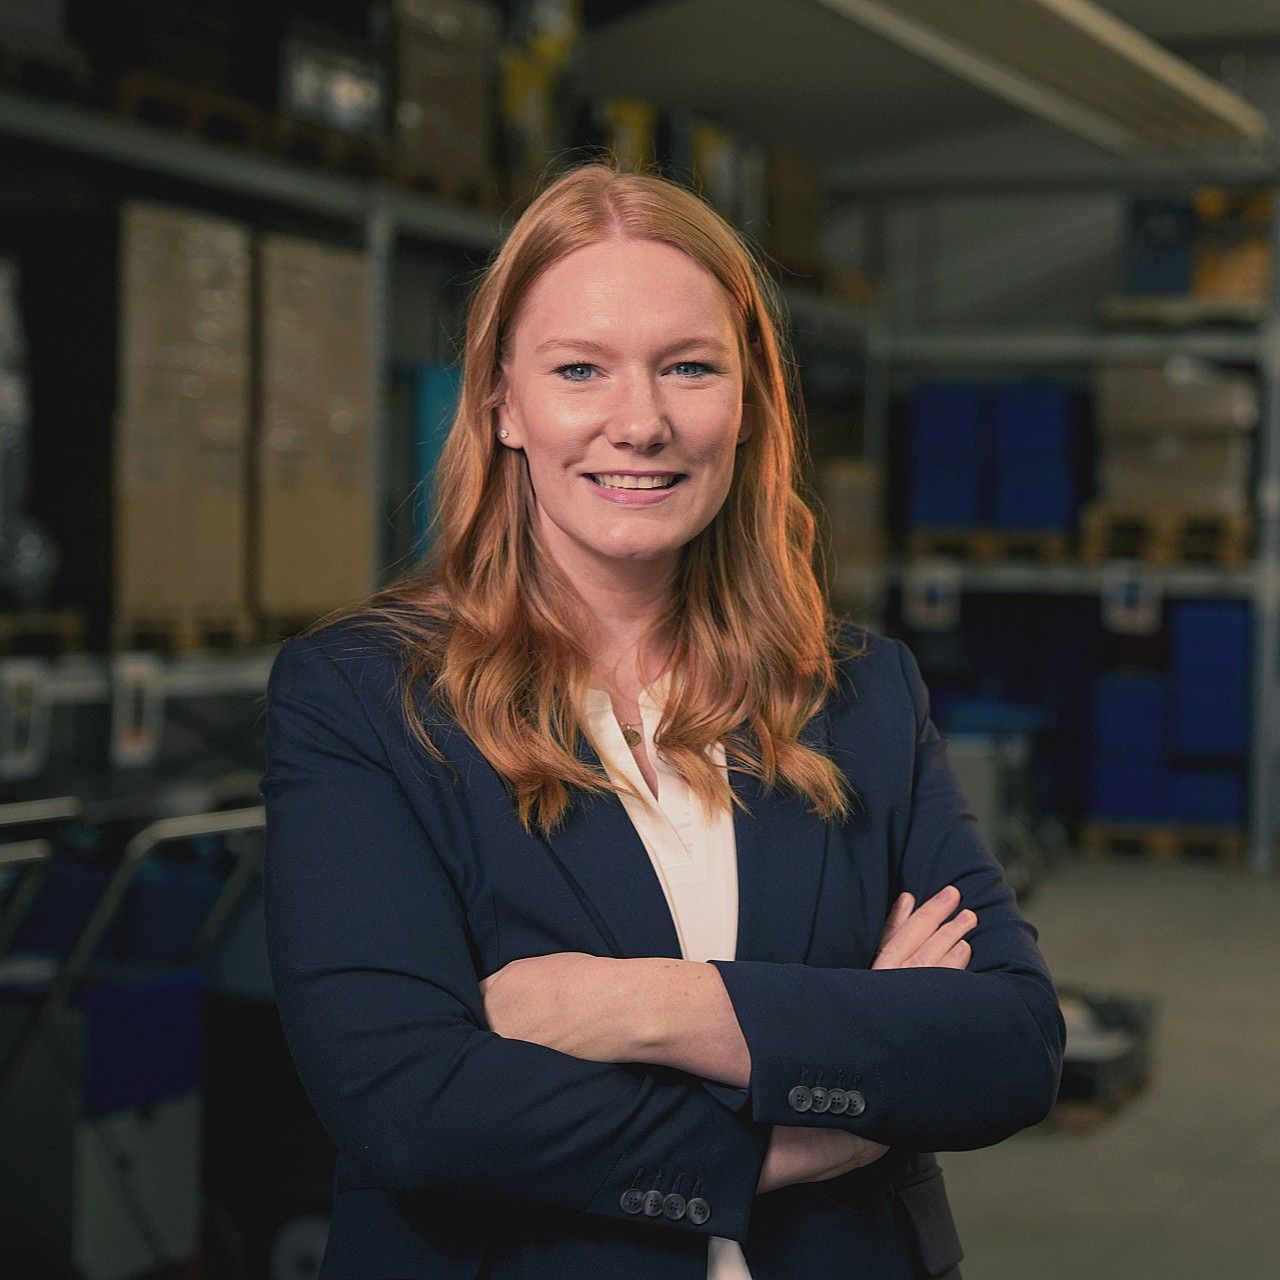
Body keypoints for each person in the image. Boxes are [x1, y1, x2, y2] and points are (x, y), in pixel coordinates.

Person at [260, 161, 1065, 1280]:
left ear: (745, 405)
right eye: (579, 368)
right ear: (501, 402)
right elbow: (414, 1103)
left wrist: (637, 1004)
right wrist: (830, 1100)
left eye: (687, 367)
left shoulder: (858, 693)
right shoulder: (365, 699)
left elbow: (1008, 1045)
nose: (637, 423)